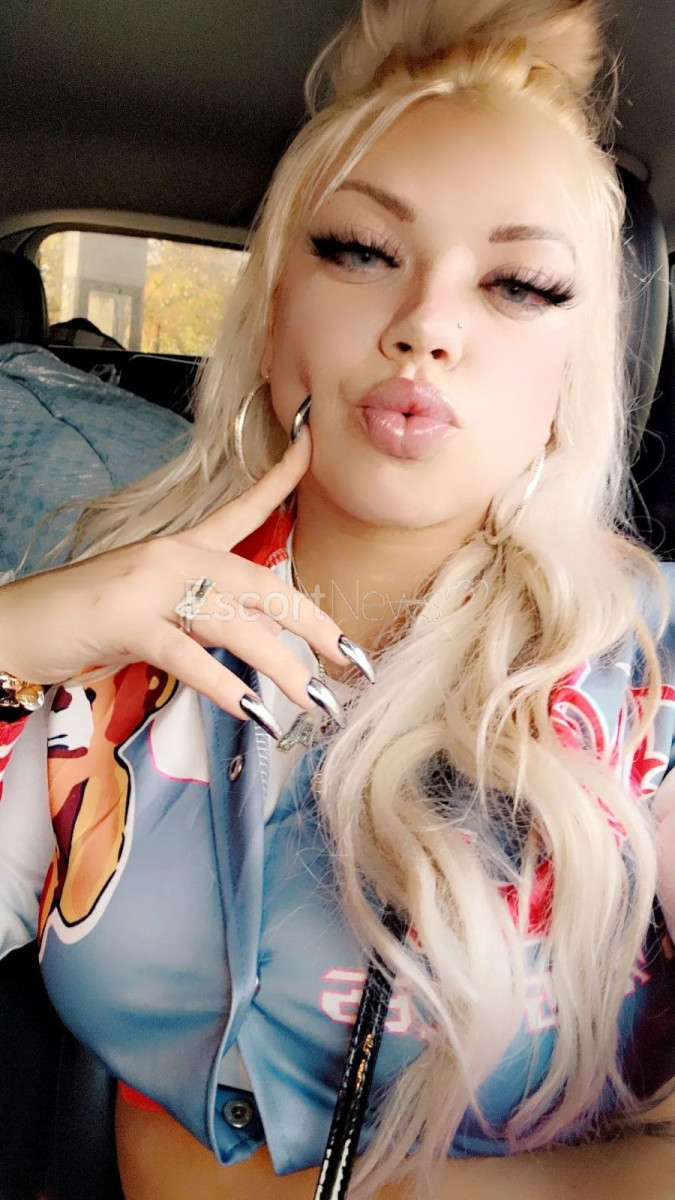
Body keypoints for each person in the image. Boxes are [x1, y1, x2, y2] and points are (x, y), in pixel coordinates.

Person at [0, 0, 674, 1197]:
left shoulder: (649, 665)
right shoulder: (100, 640)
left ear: (571, 382)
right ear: (272, 323)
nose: (426, 327)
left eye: (520, 284)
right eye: (361, 251)